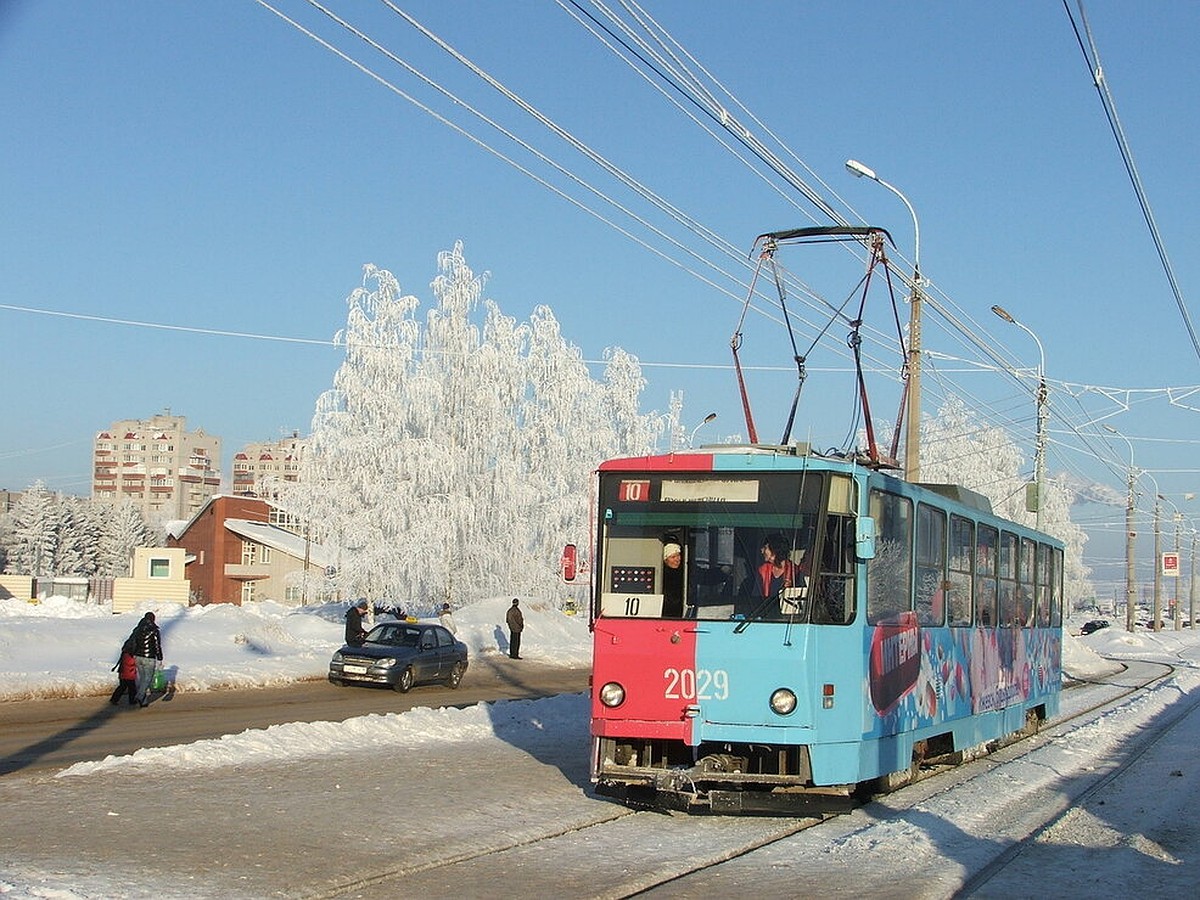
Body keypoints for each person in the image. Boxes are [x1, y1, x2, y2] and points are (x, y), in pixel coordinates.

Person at [129, 612, 163, 708]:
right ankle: (140, 696)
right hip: (149, 657)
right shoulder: (154, 630)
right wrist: (160, 657)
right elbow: (157, 645)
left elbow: (133, 642)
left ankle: (143, 702)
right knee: (147, 679)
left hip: (138, 657)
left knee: (142, 679)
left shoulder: (137, 629)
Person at [109, 637, 138, 707]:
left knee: (122, 687)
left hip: (123, 672)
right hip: (129, 674)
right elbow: (130, 663)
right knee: (132, 688)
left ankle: (114, 699)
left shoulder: (124, 653)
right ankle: (132, 700)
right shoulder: (129, 655)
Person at [661, 542, 684, 618]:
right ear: (665, 560)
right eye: (673, 557)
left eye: (678, 556)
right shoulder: (662, 576)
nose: (677, 559)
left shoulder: (684, 572)